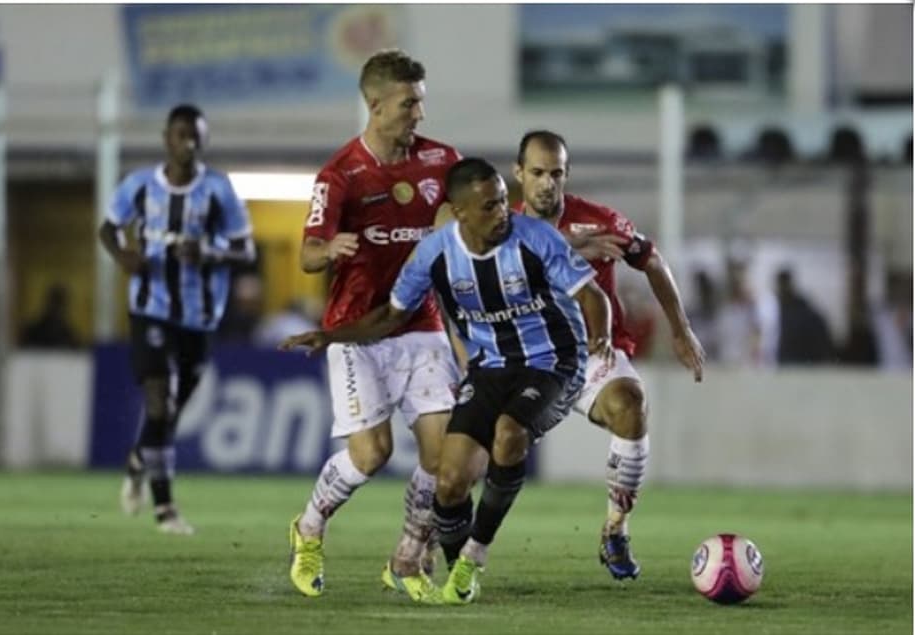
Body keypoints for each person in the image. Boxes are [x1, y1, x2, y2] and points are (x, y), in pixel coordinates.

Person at [285, 158, 615, 605]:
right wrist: (331, 335)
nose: (502, 212)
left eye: (502, 201)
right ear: (458, 212)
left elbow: (592, 296)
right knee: (450, 477)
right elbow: (391, 315)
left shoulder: (535, 238)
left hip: (552, 363)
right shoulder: (435, 253)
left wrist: (601, 338)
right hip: (489, 367)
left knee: (508, 435)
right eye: (489, 206)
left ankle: (470, 555)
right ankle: (456, 570)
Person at [285, 49, 462, 600]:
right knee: (372, 455)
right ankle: (309, 527)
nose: (419, 114)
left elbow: (466, 225)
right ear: (376, 104)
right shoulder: (340, 175)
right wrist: (330, 246)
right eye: (410, 104)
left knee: (445, 459)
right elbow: (308, 255)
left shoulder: (443, 162)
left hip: (422, 326)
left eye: (422, 102)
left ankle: (409, 559)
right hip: (355, 330)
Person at [513, 130, 704, 580]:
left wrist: (681, 330)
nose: (546, 183)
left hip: (592, 353)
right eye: (537, 172)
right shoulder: (500, 227)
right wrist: (573, 251)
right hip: (525, 358)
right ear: (518, 173)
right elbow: (504, 267)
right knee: (472, 451)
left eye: (556, 173)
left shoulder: (598, 220)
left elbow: (651, 260)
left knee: (631, 407)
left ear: (567, 174)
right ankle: (424, 545)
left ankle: (615, 529)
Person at [98, 103, 256, 535]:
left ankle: (137, 460)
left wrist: (210, 253)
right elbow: (108, 228)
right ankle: (166, 510)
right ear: (167, 138)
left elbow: (246, 250)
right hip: (150, 308)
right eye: (181, 134)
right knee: (160, 402)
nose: (188, 142)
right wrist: (124, 256)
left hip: (200, 318)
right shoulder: (140, 185)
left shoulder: (219, 190)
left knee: (168, 414)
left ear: (204, 141)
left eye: (195, 135)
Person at [774, 267, 836, 364]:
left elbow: (819, 329)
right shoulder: (773, 306)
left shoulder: (802, 308)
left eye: (784, 283)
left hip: (800, 358)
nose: (783, 287)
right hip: (783, 359)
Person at [19, 283, 81, 349]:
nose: (58, 309)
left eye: (60, 304)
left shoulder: (69, 336)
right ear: (48, 303)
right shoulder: (32, 332)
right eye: (55, 303)